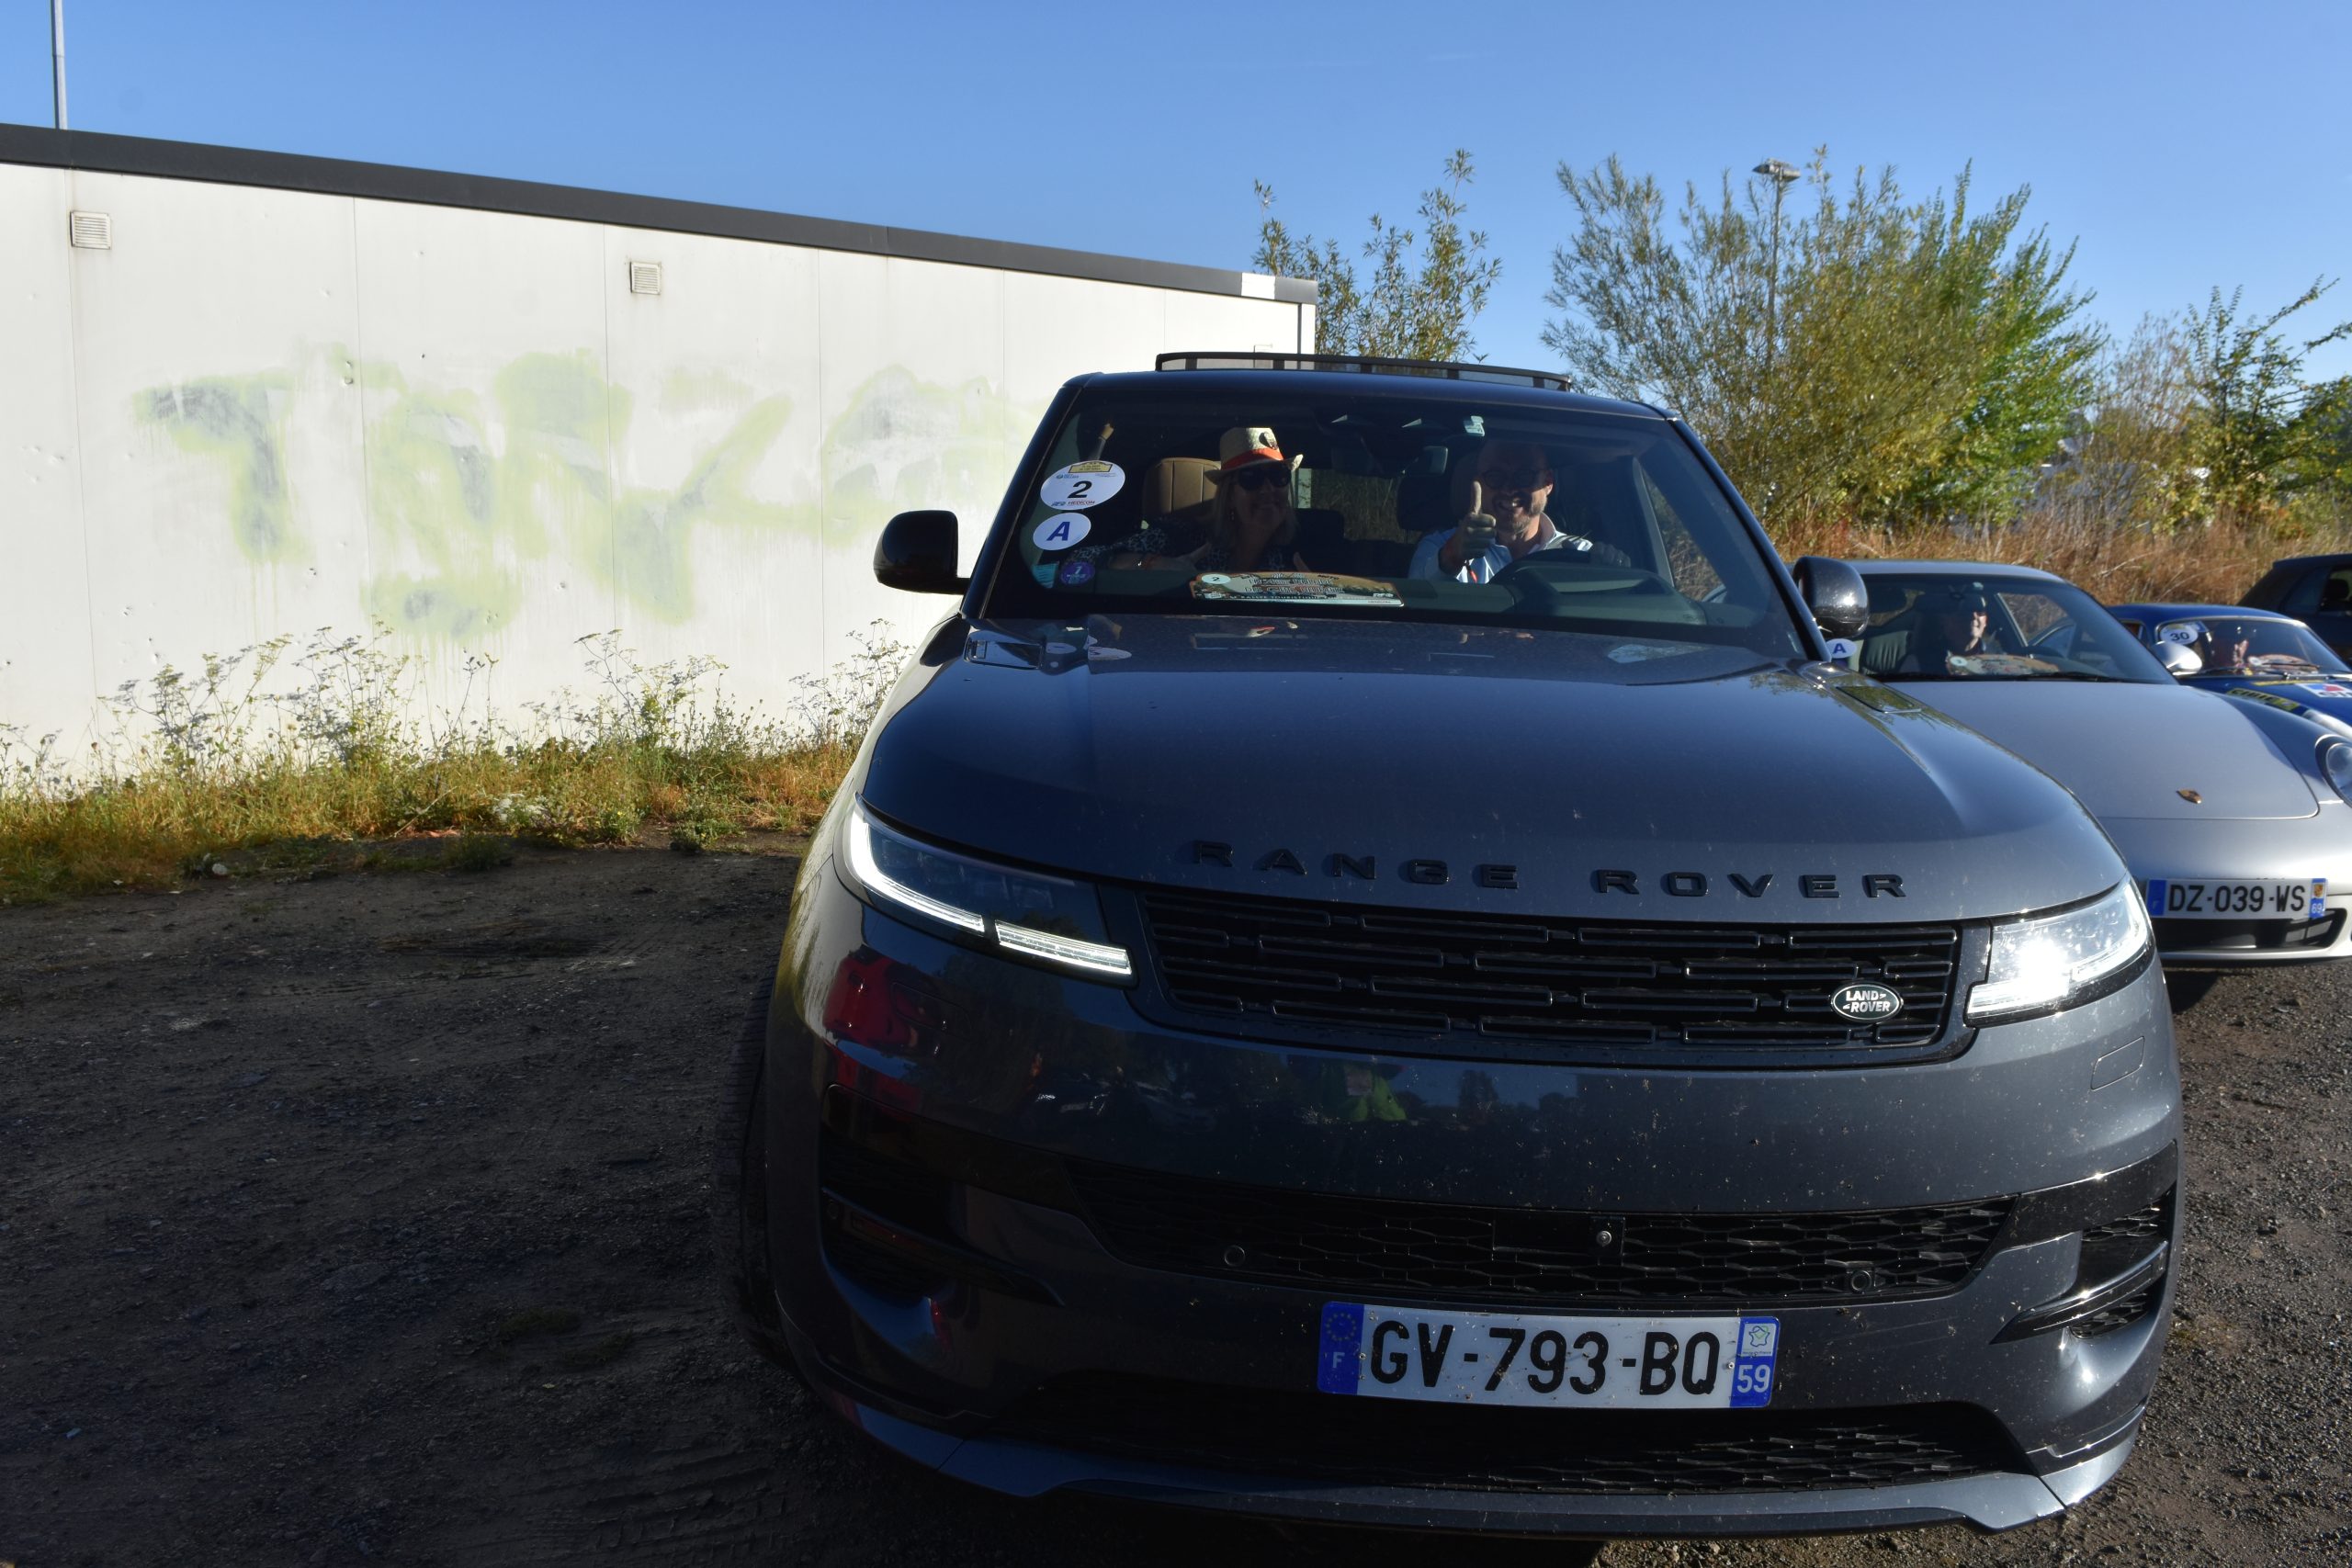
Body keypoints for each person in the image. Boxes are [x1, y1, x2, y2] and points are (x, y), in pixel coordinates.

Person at [1080, 426, 1307, 574]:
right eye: (1252, 478)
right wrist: (1154, 564)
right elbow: (1080, 562)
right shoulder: (1181, 539)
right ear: (1228, 496)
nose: (1268, 489)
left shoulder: (1300, 553)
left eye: (1279, 475)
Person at [1409, 440, 1630, 582]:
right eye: (1495, 477)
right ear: (1479, 483)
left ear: (1548, 482)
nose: (1509, 489)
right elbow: (1413, 611)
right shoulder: (1438, 547)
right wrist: (1452, 556)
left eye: (1524, 476)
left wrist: (1612, 576)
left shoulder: (1582, 556)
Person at [1898, 584, 1999, 671]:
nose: (1973, 616)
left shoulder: (1999, 659)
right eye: (1964, 612)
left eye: (1979, 611)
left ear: (1986, 620)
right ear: (1943, 621)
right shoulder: (1919, 663)